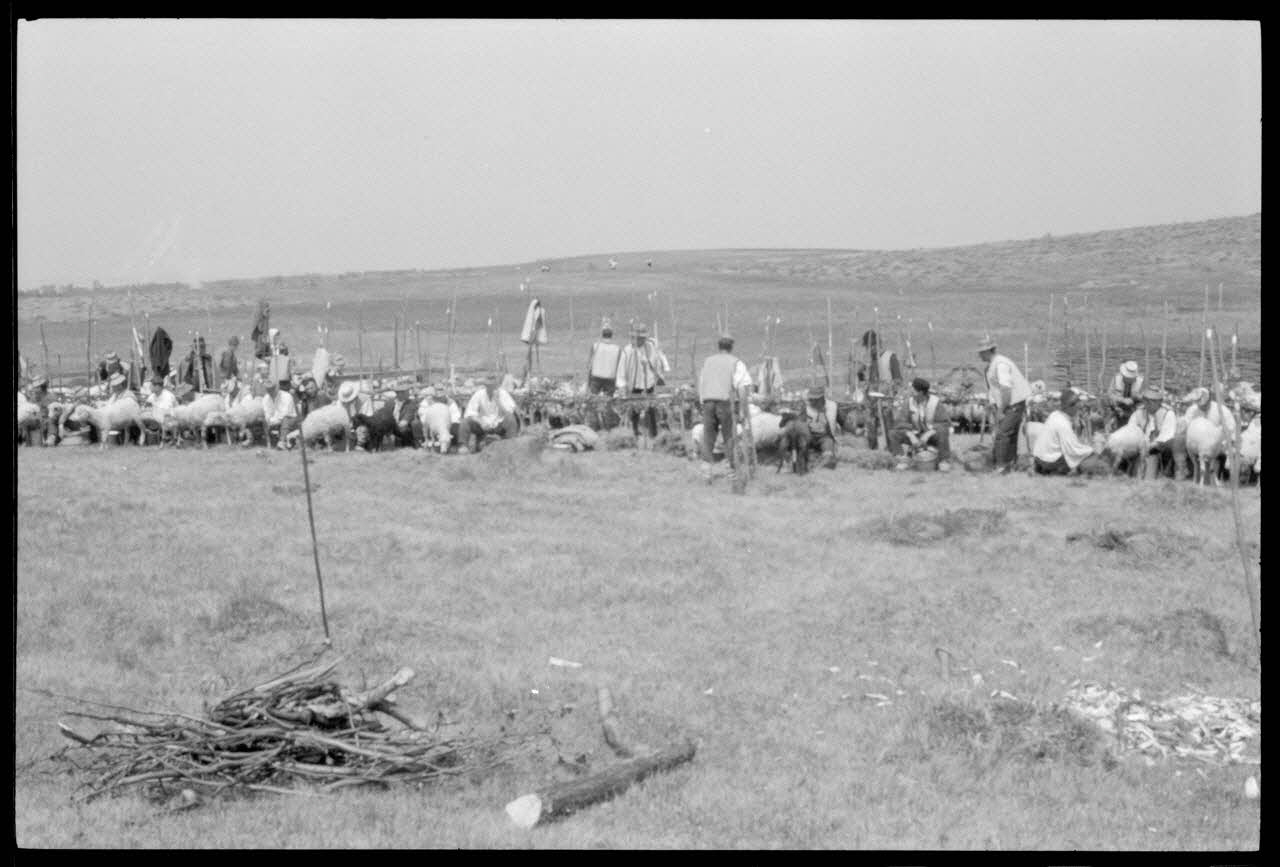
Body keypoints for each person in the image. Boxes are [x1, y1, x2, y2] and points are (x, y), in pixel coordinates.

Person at [696, 334, 753, 482]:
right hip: (725, 402)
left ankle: (706, 472)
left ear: (719, 347)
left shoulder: (708, 362)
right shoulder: (736, 363)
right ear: (731, 347)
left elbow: (702, 383)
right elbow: (741, 388)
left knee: (708, 436)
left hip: (708, 402)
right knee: (729, 437)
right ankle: (731, 472)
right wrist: (743, 410)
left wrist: (703, 402)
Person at [978, 337, 1032, 475]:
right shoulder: (991, 366)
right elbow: (994, 389)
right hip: (1010, 403)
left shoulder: (1001, 364)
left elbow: (1006, 390)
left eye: (981, 352)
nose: (979, 355)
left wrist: (1001, 410)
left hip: (1013, 403)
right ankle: (1010, 463)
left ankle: (1001, 467)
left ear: (988, 351)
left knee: (1002, 433)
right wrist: (993, 405)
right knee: (1010, 433)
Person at [1032, 388, 1108, 475]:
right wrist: (1091, 451)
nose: (1078, 408)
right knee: (1090, 460)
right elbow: (1073, 449)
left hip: (1039, 459)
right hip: (1049, 461)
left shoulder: (1055, 415)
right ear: (1070, 406)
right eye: (1077, 406)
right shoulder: (1063, 424)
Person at [888, 377, 953, 472]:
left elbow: (944, 423)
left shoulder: (935, 402)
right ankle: (902, 460)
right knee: (893, 433)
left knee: (943, 431)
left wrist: (928, 433)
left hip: (931, 435)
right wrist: (910, 435)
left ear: (921, 392)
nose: (911, 391)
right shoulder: (909, 402)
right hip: (915, 434)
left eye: (913, 390)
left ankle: (943, 461)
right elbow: (900, 422)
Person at [615, 323, 668, 438]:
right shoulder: (627, 351)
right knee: (635, 410)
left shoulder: (650, 348)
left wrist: (658, 376)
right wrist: (622, 385)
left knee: (651, 409)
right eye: (638, 338)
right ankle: (634, 432)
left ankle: (653, 433)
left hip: (648, 384)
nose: (640, 340)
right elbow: (621, 370)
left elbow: (656, 364)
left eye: (642, 338)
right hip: (634, 385)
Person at [858, 330, 903, 450]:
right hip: (870, 399)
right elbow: (862, 379)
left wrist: (889, 391)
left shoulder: (890, 357)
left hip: (885, 399)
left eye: (872, 346)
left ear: (878, 344)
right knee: (870, 426)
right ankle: (873, 450)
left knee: (888, 426)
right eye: (868, 347)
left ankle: (893, 451)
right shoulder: (867, 361)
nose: (870, 349)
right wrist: (860, 373)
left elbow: (898, 380)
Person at [1128, 385, 1178, 480]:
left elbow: (1166, 436)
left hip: (1158, 449)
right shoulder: (1139, 413)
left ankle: (1164, 474)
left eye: (1152, 401)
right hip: (1139, 448)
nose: (1148, 403)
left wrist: (1150, 446)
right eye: (1146, 400)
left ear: (1159, 402)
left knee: (1150, 476)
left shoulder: (1168, 413)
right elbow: (1131, 429)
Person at [462, 375, 519, 452]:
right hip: (483, 425)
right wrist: (480, 422)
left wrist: (498, 401)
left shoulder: (503, 393)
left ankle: (512, 445)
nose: (491, 388)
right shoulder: (479, 394)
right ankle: (463, 446)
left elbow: (508, 412)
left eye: (493, 386)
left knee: (510, 418)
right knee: (466, 421)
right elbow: (470, 412)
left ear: (496, 386)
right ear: (485, 386)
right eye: (488, 386)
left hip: (499, 424)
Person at [801, 385, 840, 470]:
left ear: (822, 398)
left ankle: (820, 466)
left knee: (829, 455)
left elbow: (843, 421)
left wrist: (855, 429)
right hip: (808, 437)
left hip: (825, 438)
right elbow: (799, 423)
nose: (813, 401)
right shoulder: (805, 408)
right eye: (812, 399)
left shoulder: (832, 406)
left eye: (816, 399)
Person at [1105, 360, 1145, 427]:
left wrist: (1136, 397)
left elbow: (1144, 397)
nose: (1129, 379)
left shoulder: (1141, 381)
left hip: (1134, 406)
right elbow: (1109, 394)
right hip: (1118, 405)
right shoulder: (1116, 378)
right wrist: (1122, 400)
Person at [262, 379, 298, 450]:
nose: (270, 391)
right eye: (268, 389)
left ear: (277, 388)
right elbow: (267, 413)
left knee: (285, 419)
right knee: (264, 420)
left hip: (290, 419)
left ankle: (282, 442)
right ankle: (268, 442)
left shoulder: (287, 396)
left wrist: (273, 421)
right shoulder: (266, 398)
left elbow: (285, 413)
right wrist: (269, 420)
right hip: (274, 421)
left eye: (272, 389)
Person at [586, 325, 622, 396]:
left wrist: (589, 380)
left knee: (592, 400)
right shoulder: (617, 349)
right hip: (610, 378)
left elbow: (589, 365)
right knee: (608, 401)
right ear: (611, 335)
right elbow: (619, 367)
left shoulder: (595, 346)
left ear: (602, 334)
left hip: (596, 377)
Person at [143, 375, 178, 442]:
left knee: (146, 417)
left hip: (167, 420)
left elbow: (167, 413)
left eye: (151, 386)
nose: (150, 388)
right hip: (157, 419)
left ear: (157, 387)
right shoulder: (153, 396)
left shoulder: (167, 396)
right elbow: (145, 406)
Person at [389, 378, 420, 449]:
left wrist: (393, 427)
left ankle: (407, 448)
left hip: (402, 427)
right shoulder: (390, 402)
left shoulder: (411, 403)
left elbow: (405, 421)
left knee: (405, 430)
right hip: (390, 426)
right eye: (407, 391)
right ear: (399, 393)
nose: (409, 393)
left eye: (408, 391)